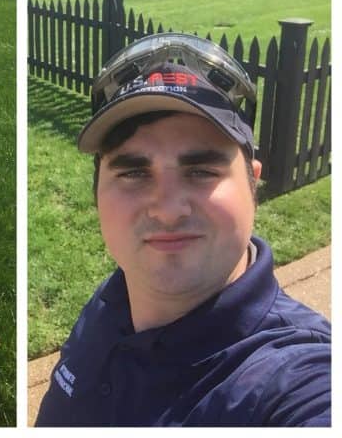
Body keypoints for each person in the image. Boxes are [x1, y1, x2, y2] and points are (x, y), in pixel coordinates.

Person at [35, 33, 330, 427]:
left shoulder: (300, 383)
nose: (169, 209)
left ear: (253, 185)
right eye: (135, 172)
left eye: (201, 171)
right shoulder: (108, 304)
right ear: (97, 194)